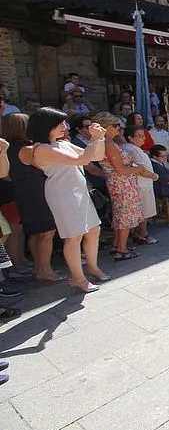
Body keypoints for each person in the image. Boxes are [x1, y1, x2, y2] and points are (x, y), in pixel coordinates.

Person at [27, 107, 109, 292]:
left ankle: (92, 267)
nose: (65, 126)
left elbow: (95, 156)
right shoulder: (42, 149)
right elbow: (81, 160)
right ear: (47, 126)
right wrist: (95, 138)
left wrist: (100, 137)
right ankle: (78, 278)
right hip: (63, 194)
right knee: (73, 237)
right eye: (60, 123)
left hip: (78, 190)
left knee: (94, 230)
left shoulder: (62, 144)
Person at [3, 114, 60, 284]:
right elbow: (47, 168)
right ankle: (45, 270)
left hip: (23, 193)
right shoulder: (28, 149)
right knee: (47, 233)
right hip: (37, 192)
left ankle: (39, 268)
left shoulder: (8, 148)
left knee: (36, 233)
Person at [96, 113, 147, 260]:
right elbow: (119, 169)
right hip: (121, 182)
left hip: (121, 181)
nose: (118, 128)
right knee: (124, 215)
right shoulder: (108, 144)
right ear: (105, 127)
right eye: (114, 125)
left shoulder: (111, 142)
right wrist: (138, 169)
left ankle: (117, 245)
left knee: (121, 213)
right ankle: (122, 250)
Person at [122, 126, 159, 245]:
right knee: (144, 212)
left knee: (142, 211)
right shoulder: (133, 149)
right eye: (139, 136)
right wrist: (154, 176)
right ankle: (143, 234)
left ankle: (137, 233)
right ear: (130, 138)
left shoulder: (131, 148)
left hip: (141, 183)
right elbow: (140, 169)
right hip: (142, 183)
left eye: (143, 135)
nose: (143, 138)